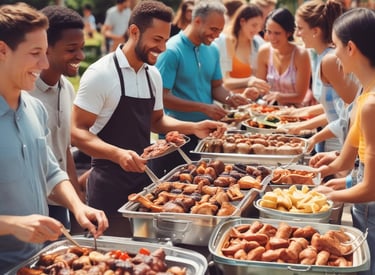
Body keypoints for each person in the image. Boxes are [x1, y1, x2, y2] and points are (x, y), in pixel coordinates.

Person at [71, 0, 226, 237]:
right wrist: (117, 154)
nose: (162, 48)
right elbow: (77, 131)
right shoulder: (101, 74)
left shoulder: (152, 74)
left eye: (165, 40)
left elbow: (157, 121)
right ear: (134, 31)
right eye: (156, 40)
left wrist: (194, 127)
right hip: (108, 186)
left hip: (144, 182)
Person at [0, 3, 108, 273]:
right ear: (2, 51)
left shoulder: (34, 109)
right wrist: (12, 224)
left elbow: (51, 171)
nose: (45, 64)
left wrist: (78, 206)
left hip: (39, 260)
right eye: (36, 54)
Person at [153, 0, 249, 177]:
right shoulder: (172, 51)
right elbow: (162, 97)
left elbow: (216, 87)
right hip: (178, 138)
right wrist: (203, 107)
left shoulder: (212, 50)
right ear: (197, 21)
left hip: (206, 135)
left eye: (220, 30)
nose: (217, 35)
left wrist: (230, 99)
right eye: (213, 29)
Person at [315, 8, 375, 275]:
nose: (334, 55)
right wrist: (341, 179)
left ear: (350, 47)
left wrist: (325, 195)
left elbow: (371, 189)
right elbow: (352, 161)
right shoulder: (364, 91)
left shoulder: (370, 104)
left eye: (336, 46)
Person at [29, 5, 86, 231]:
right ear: (46, 49)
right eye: (71, 49)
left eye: (81, 48)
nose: (80, 56)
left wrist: (78, 201)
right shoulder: (25, 94)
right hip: (34, 206)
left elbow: (64, 152)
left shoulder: (67, 89)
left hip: (60, 200)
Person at [282, 0, 359, 153]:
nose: (297, 34)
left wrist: (302, 126)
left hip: (342, 146)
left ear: (315, 31)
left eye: (300, 28)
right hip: (333, 141)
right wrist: (296, 114)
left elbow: (351, 113)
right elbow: (333, 106)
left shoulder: (330, 60)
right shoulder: (321, 57)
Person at [256, 8, 312, 107]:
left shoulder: (301, 55)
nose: (272, 38)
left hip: (295, 112)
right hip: (269, 109)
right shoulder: (264, 51)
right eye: (269, 32)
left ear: (288, 33)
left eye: (277, 33)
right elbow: (260, 88)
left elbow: (300, 96)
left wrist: (279, 96)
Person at [215, 3, 270, 97]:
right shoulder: (225, 41)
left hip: (252, 102)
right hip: (229, 100)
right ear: (242, 22)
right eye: (254, 25)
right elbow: (225, 82)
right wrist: (249, 80)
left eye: (259, 26)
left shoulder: (258, 43)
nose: (257, 30)